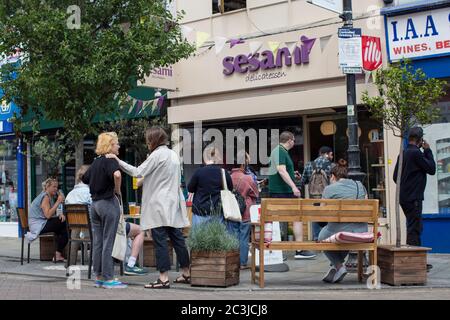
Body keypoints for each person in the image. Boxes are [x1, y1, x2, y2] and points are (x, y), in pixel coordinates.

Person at [107, 127, 190, 289]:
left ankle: (163, 278)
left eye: (148, 139)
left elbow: (137, 172)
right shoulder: (172, 154)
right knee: (177, 239)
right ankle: (187, 272)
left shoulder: (156, 155)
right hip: (173, 203)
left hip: (159, 204)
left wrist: (118, 161)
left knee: (160, 240)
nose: (147, 142)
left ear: (153, 140)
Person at [66, 165, 148, 276]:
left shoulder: (70, 195)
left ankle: (104, 269)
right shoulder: (92, 192)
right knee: (139, 230)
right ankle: (130, 265)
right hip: (100, 231)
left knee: (124, 230)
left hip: (82, 233)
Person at [82, 132, 127, 289]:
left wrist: (97, 183)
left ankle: (99, 276)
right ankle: (108, 278)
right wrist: (117, 190)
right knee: (109, 241)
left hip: (94, 206)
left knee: (98, 242)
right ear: (110, 146)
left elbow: (84, 177)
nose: (119, 146)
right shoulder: (110, 160)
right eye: (116, 143)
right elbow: (117, 174)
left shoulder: (96, 162)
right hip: (108, 203)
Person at [268, 131, 315, 259]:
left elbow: (283, 171)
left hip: (281, 191)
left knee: (290, 219)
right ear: (289, 140)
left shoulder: (280, 151)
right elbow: (281, 171)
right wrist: (294, 187)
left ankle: (281, 251)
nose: (294, 142)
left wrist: (292, 174)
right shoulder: (279, 151)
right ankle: (297, 250)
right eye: (294, 140)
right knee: (296, 218)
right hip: (282, 192)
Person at [393, 127, 435, 270]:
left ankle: (414, 259)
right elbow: (432, 169)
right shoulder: (417, 154)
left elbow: (395, 177)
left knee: (413, 226)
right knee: (414, 228)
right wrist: (428, 151)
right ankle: (414, 261)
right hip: (414, 198)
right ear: (420, 140)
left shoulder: (403, 153)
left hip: (404, 197)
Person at [318, 165, 368, 283]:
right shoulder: (360, 185)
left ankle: (338, 266)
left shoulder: (329, 189)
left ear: (333, 176)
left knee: (321, 238)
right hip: (361, 229)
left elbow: (321, 211)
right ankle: (336, 267)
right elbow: (366, 203)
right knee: (344, 238)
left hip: (338, 228)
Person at [188, 146, 233, 226]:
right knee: (217, 238)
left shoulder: (199, 172)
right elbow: (230, 189)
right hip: (217, 212)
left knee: (199, 238)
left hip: (200, 211)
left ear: (205, 157)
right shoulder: (223, 172)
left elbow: (190, 188)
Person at [27, 178, 68, 262]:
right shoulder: (45, 197)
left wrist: (59, 215)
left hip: (40, 223)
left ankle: (58, 254)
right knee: (65, 224)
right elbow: (48, 215)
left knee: (63, 228)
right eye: (54, 187)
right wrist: (58, 201)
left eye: (57, 187)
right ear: (47, 187)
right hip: (38, 226)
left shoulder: (48, 196)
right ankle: (58, 254)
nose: (56, 189)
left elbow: (50, 214)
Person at [230, 151, 259, 270]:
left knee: (233, 236)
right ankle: (242, 263)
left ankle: (232, 261)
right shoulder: (248, 178)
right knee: (243, 237)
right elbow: (255, 193)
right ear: (243, 164)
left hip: (231, 210)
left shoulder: (228, 176)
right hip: (245, 211)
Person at [300, 146, 333, 243]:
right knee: (328, 215)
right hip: (327, 196)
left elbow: (303, 181)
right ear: (326, 154)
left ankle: (316, 237)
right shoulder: (331, 166)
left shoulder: (309, 165)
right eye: (331, 155)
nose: (332, 157)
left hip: (314, 196)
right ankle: (326, 237)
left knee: (315, 215)